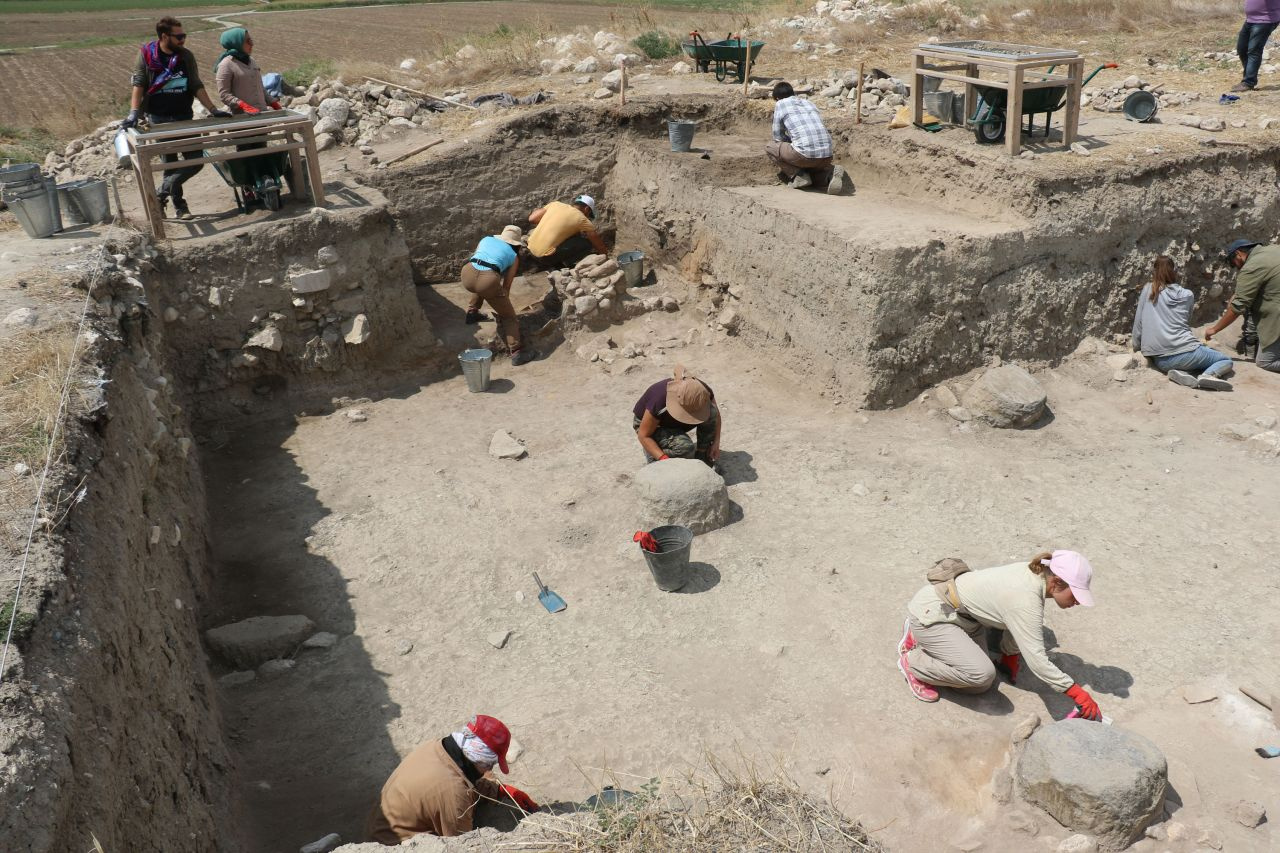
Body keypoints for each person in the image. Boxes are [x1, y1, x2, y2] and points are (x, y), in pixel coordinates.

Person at [896, 550, 1104, 722]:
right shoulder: (1026, 599)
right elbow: (1038, 661)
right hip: (936, 614)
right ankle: (914, 663)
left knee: (981, 684)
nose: (1077, 601)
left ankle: (925, 637)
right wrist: (1076, 692)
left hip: (960, 615)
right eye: (1075, 594)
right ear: (1057, 582)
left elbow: (1016, 621)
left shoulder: (1033, 574)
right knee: (981, 677)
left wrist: (1010, 654)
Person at [122, 16, 231, 220]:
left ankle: (161, 192)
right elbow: (138, 84)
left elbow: (196, 85)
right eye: (179, 36)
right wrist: (134, 113)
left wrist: (213, 109)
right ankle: (180, 207)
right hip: (159, 118)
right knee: (169, 163)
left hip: (184, 116)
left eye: (184, 35)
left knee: (196, 161)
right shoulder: (146, 55)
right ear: (165, 36)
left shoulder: (185, 56)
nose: (183, 40)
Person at [367, 715, 538, 843]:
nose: (489, 770)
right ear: (478, 757)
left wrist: (500, 790)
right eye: (490, 764)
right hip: (393, 845)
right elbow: (462, 844)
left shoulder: (437, 747)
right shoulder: (454, 793)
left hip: (381, 825)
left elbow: (463, 775)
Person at [1131, 255, 1234, 391]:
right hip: (1185, 353)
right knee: (1225, 360)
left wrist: (1137, 347)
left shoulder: (1148, 290)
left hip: (1160, 360)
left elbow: (1138, 323)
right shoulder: (1187, 295)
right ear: (1175, 272)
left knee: (1190, 357)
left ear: (1154, 272)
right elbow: (1185, 322)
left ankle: (1181, 373)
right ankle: (1208, 375)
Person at [214, 27, 290, 209]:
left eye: (251, 40)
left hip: (260, 117)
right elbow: (224, 94)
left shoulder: (251, 61)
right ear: (235, 43)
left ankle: (264, 184)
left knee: (262, 151)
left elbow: (261, 88)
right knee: (246, 154)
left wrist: (273, 103)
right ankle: (248, 188)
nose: (252, 43)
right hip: (242, 120)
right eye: (247, 41)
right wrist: (242, 105)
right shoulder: (226, 64)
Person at [461, 225, 537, 366]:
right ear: (516, 243)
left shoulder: (486, 240)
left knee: (482, 282)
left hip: (467, 273)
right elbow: (506, 286)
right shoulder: (514, 256)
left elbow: (480, 258)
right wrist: (504, 306)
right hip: (487, 281)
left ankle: (472, 311)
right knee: (509, 317)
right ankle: (516, 351)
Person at [1206, 239, 1280, 373]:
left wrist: (1214, 330)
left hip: (1276, 316)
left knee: (1265, 362)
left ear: (1239, 254)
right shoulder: (1274, 249)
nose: (1235, 267)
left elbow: (1238, 307)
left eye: (1233, 262)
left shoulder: (1251, 266)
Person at [766, 82, 846, 194]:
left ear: (778, 97)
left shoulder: (781, 103)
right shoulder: (809, 103)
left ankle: (798, 176)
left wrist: (789, 145)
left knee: (771, 147)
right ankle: (828, 176)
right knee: (815, 175)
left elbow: (777, 135)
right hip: (826, 156)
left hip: (804, 155)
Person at [632, 365, 721, 466]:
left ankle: (702, 454)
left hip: (676, 423)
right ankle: (653, 453)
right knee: (685, 449)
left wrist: (716, 443)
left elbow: (716, 415)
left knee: (711, 412)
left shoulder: (701, 390)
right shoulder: (659, 399)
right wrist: (664, 459)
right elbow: (644, 436)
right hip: (654, 426)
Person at [526, 194, 609, 269]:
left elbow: (532, 219)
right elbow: (599, 245)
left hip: (530, 249)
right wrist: (605, 258)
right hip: (544, 258)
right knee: (587, 244)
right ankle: (563, 266)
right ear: (587, 209)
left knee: (573, 236)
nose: (588, 217)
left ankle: (554, 263)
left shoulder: (555, 204)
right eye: (589, 215)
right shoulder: (582, 219)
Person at [1232, 1, 1280, 92]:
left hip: (1265, 20)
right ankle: (1247, 79)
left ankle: (1249, 82)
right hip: (1250, 19)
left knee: (1254, 50)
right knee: (1242, 49)